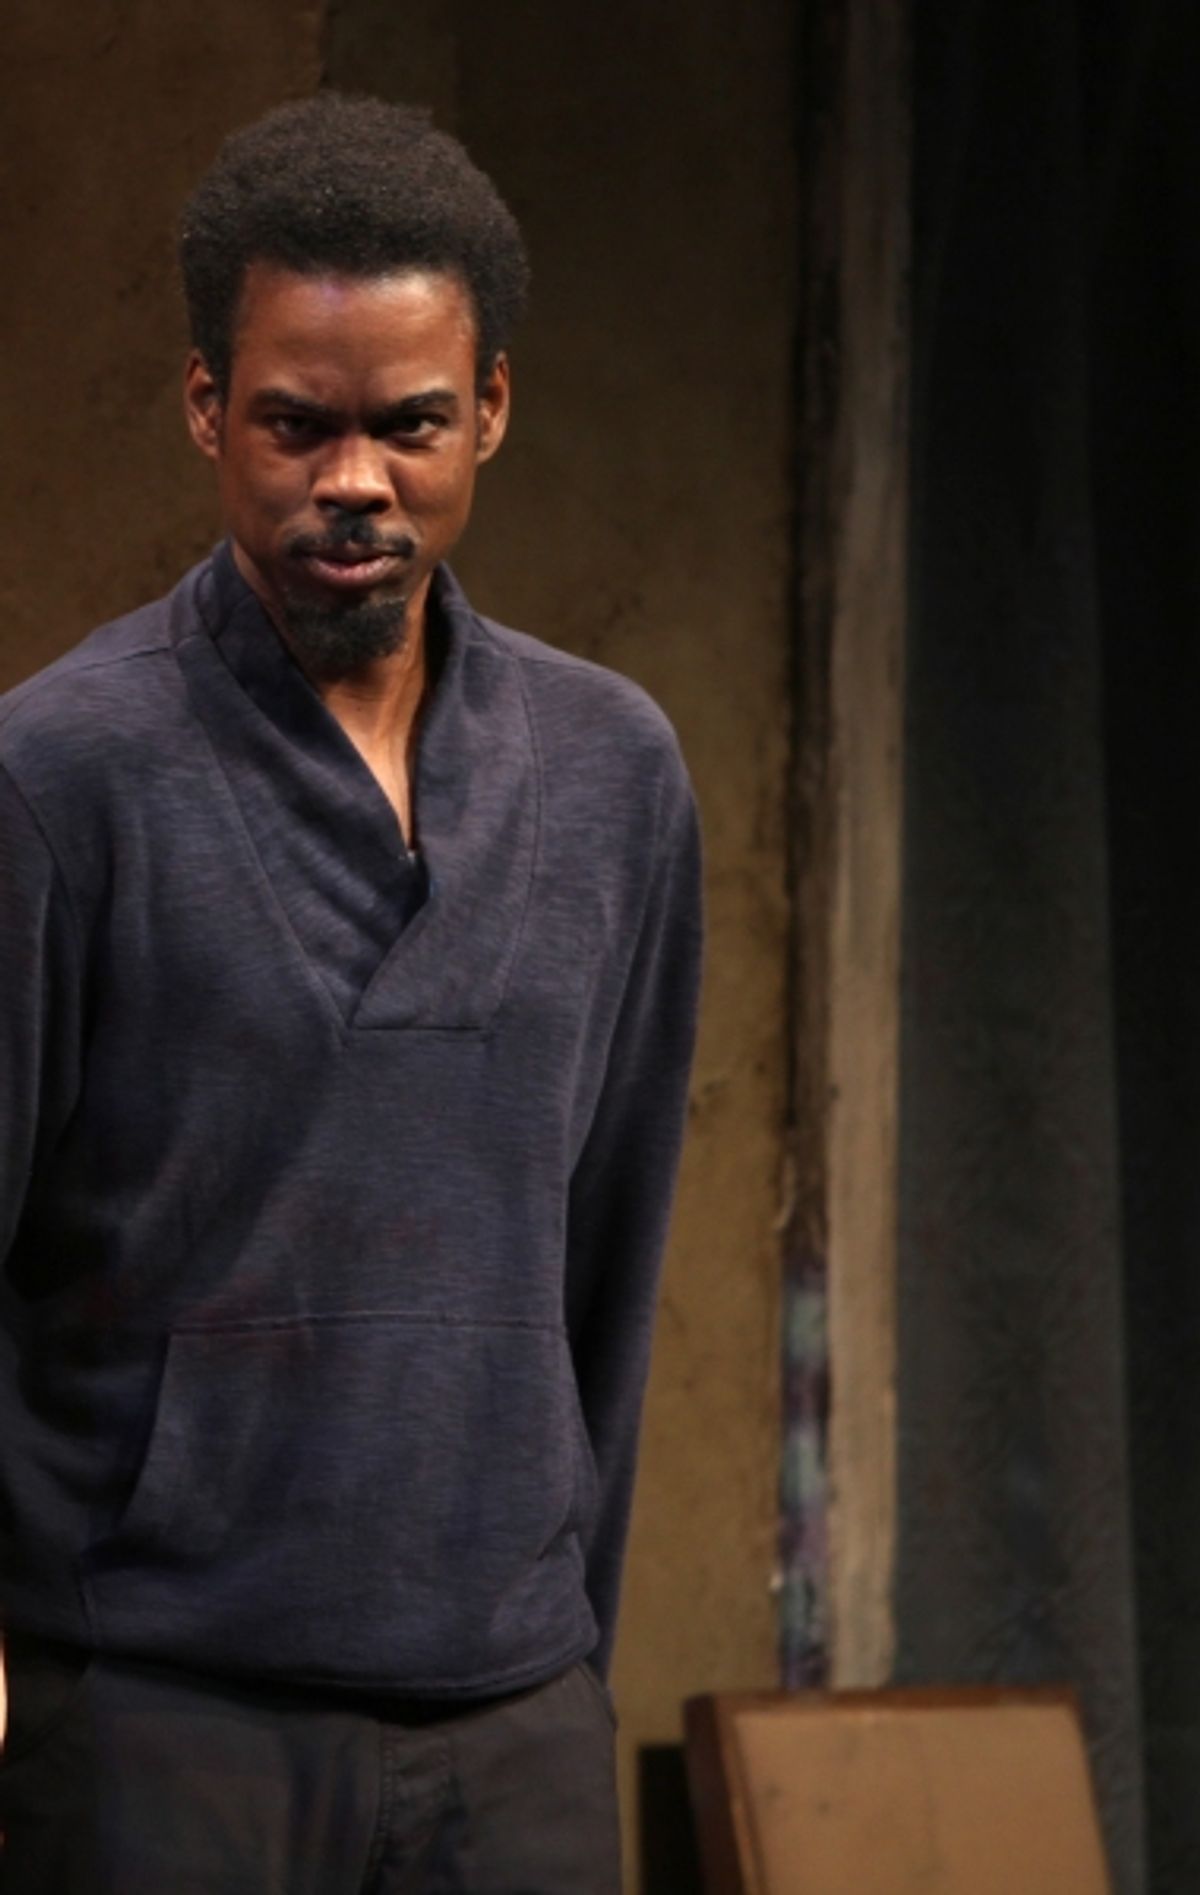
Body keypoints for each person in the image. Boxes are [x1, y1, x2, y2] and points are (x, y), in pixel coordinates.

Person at [0, 93, 701, 1892]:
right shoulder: (62, 776)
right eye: (298, 426)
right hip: (165, 1725)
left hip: (516, 1727)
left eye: (407, 427)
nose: (354, 483)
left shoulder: (613, 776)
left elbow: (605, 1267)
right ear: (206, 409)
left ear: (490, 413)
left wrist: (560, 1643)